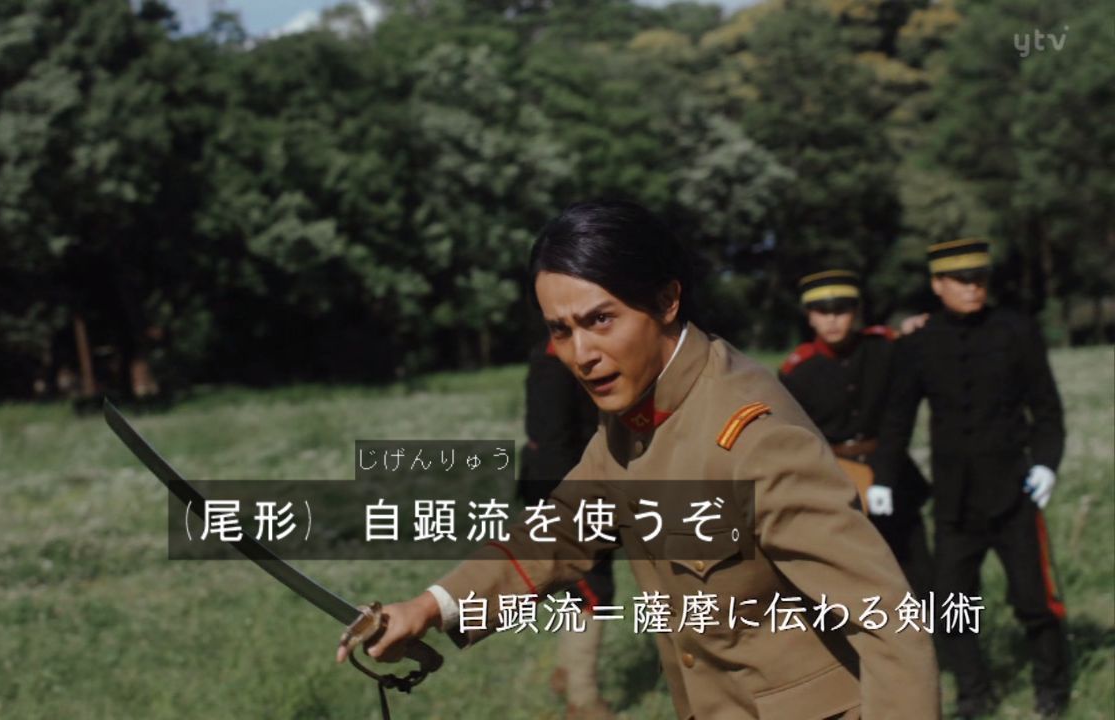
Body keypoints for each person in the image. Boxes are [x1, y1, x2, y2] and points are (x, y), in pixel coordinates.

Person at [337, 200, 939, 719]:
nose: (582, 354)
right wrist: (429, 607)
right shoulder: (638, 412)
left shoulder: (752, 437)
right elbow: (563, 528)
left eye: (601, 320)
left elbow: (890, 620)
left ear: (667, 300)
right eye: (561, 330)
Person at [874, 238, 1069, 718]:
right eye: (961, 280)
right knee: (953, 605)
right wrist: (882, 478)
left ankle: (1053, 689)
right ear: (938, 284)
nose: (973, 287)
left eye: (979, 278)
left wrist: (1046, 463)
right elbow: (897, 419)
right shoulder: (917, 344)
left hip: (1013, 492)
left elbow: (1047, 410)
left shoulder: (1017, 331)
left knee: (1034, 599)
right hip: (955, 501)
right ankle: (973, 694)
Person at [779, 269, 932, 595]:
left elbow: (897, 414)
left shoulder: (884, 349)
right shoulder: (798, 372)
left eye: (842, 310)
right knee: (849, 586)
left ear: (856, 311)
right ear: (810, 317)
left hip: (892, 471)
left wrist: (918, 328)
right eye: (823, 311)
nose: (833, 319)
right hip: (833, 481)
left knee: (919, 579)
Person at [518, 337, 614, 720]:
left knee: (581, 588)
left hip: (585, 484)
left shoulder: (567, 351)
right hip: (567, 490)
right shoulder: (555, 361)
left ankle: (566, 674)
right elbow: (552, 444)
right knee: (593, 591)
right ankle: (584, 700)